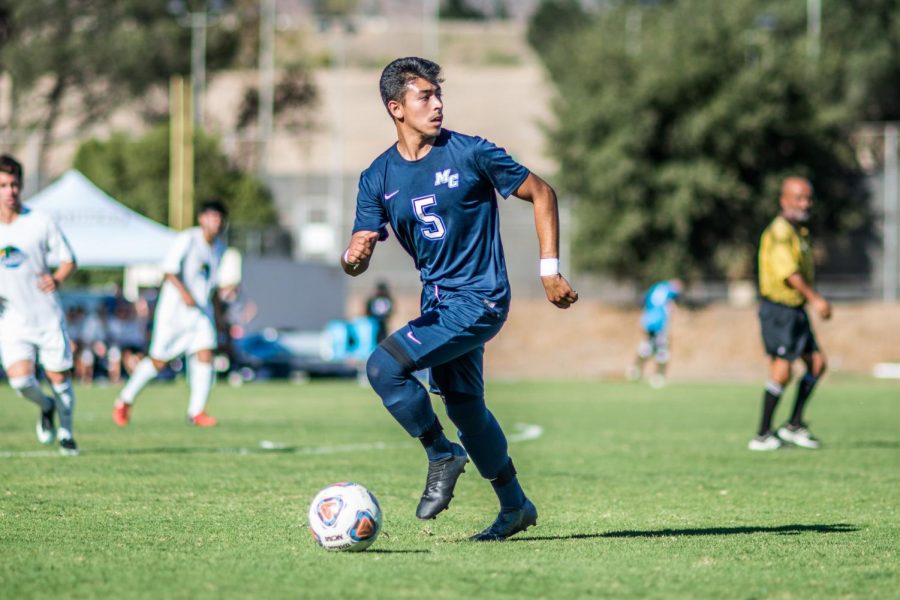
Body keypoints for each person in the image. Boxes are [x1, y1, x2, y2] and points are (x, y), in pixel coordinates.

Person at [341, 57, 578, 541]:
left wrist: (549, 269)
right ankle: (515, 506)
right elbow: (357, 256)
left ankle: (441, 453)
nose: (437, 104)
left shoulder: (471, 153)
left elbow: (543, 192)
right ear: (396, 108)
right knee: (466, 407)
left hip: (480, 298)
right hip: (439, 305)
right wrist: (353, 256)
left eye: (438, 94)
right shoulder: (377, 177)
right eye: (424, 96)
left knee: (383, 368)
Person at [112, 200, 228, 427]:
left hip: (200, 313)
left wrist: (219, 315)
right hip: (174, 313)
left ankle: (196, 411)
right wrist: (185, 295)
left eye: (220, 218)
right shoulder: (188, 239)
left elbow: (211, 284)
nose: (216, 222)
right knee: (158, 361)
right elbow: (169, 271)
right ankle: (124, 400)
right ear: (201, 218)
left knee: (206, 353)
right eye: (212, 217)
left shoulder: (219, 247)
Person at [0, 154, 80, 456]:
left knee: (60, 377)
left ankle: (67, 433)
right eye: (4, 185)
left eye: (15, 184)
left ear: (22, 186)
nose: (10, 191)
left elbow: (69, 260)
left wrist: (57, 278)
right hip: (11, 320)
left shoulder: (40, 222)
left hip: (46, 316)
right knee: (21, 381)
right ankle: (45, 406)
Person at [750, 177, 830, 451]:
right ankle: (762, 434)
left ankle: (794, 425)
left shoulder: (799, 232)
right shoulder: (780, 232)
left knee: (817, 363)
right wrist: (816, 299)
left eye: (808, 198)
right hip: (779, 310)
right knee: (782, 371)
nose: (805, 203)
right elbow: (789, 274)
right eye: (799, 198)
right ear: (784, 200)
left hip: (795, 310)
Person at [627, 279, 683, 388]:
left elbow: (645, 300)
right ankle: (659, 375)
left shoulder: (655, 287)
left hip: (648, 320)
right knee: (662, 349)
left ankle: (635, 370)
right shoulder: (671, 290)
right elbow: (671, 304)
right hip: (660, 322)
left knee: (647, 345)